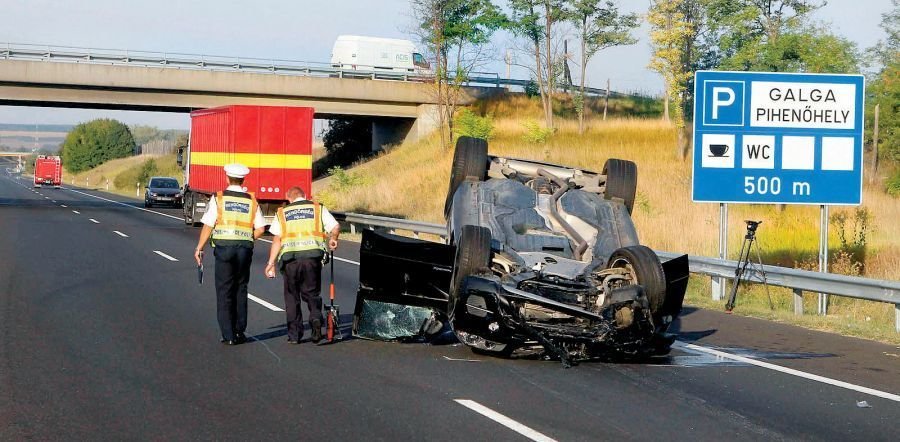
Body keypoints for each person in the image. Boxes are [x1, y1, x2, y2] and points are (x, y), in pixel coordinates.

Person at [194, 163, 266, 345]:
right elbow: (261, 228)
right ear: (243, 180)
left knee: (225, 290)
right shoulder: (251, 200)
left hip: (224, 249)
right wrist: (247, 238)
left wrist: (199, 248)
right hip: (244, 250)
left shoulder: (219, 198)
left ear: (227, 178)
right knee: (241, 288)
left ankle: (228, 335)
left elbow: (209, 224)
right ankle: (240, 331)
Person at [265, 186, 340, 344]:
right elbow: (335, 227)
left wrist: (271, 263)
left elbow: (277, 239)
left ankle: (294, 335)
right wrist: (333, 238)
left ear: (289, 198)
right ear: (305, 196)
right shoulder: (318, 209)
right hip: (312, 258)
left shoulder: (282, 212)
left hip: (290, 260)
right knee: (312, 293)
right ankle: (315, 317)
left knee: (292, 297)